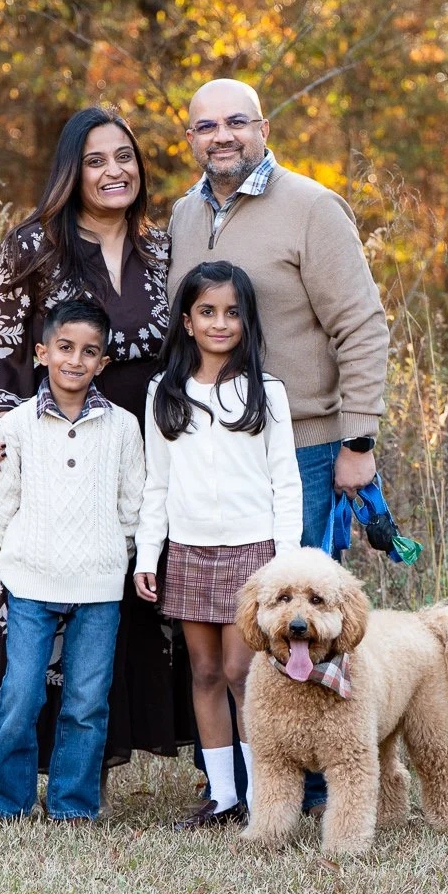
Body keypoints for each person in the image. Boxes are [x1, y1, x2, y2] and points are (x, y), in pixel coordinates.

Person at [168, 78, 390, 809]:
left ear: (263, 126)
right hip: (213, 454)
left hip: (305, 450)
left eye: (236, 121)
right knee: (241, 630)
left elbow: (361, 326)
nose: (221, 135)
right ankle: (243, 782)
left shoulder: (312, 207)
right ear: (190, 137)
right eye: (206, 125)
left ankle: (323, 782)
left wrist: (357, 439)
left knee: (305, 621)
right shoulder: (184, 212)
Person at [0, 108, 182, 777]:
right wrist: (2, 426)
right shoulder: (33, 246)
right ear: (72, 169)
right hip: (61, 450)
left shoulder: (164, 248)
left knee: (134, 595)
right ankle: (17, 770)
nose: (115, 170)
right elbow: (0, 342)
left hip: (144, 450)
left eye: (125, 156)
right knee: (43, 610)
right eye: (96, 159)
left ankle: (101, 766)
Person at [0, 299, 145, 833]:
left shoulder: (123, 428)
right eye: (64, 348)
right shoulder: (15, 425)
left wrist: (114, 552)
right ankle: (2, 802)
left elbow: (132, 505)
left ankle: (72, 805)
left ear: (103, 363)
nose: (75, 361)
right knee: (21, 692)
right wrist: (20, 554)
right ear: (42, 353)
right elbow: (3, 500)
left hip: (100, 584)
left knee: (86, 699)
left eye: (89, 352)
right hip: (30, 578)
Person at [134, 262, 302, 829]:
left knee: (241, 671)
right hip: (189, 549)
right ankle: (223, 795)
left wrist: (287, 563)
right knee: (203, 672)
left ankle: (263, 795)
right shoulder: (166, 391)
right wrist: (148, 553)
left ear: (247, 321)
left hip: (254, 554)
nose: (220, 323)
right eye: (207, 311)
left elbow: (287, 481)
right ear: (186, 320)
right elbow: (156, 482)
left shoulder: (266, 392)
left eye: (232, 313)